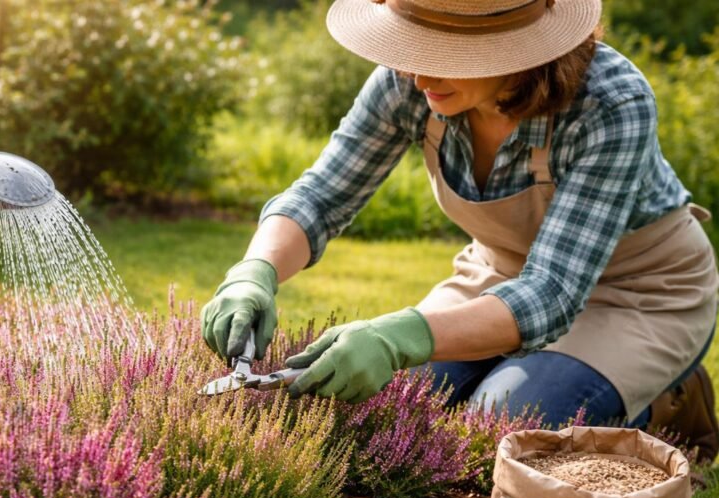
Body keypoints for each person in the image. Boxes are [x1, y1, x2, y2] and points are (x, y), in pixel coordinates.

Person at [200, 0, 719, 460]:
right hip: (497, 276)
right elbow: (321, 196)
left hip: (636, 295)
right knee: (392, 403)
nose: (418, 73)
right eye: (412, 44)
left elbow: (553, 293)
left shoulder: (610, 101)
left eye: (444, 51)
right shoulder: (408, 81)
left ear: (515, 48)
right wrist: (255, 270)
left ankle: (665, 405)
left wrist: (396, 335)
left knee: (498, 421)